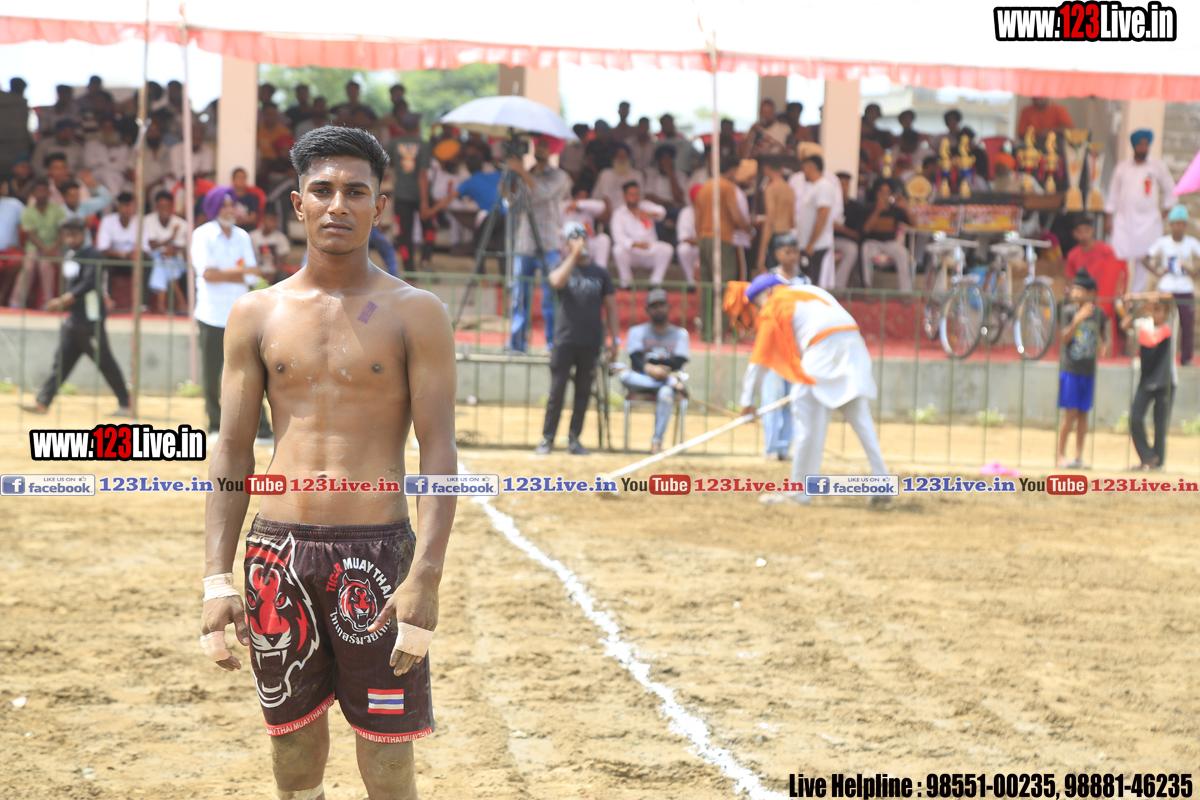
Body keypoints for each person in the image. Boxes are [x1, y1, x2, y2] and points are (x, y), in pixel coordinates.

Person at [200, 125, 456, 800]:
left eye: (355, 191)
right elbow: (232, 448)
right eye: (322, 190)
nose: (337, 204)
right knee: (291, 751)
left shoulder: (417, 313)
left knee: (389, 758)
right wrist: (215, 579)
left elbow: (438, 450)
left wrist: (426, 575)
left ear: (379, 206)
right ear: (298, 203)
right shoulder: (255, 313)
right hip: (277, 556)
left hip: (376, 556)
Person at [738, 274, 889, 506]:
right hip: (852, 341)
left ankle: (799, 492)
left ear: (767, 293)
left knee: (806, 418)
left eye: (758, 305)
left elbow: (760, 359)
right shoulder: (810, 290)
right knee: (861, 418)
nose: (759, 311)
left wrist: (747, 401)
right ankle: (883, 482)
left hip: (823, 346)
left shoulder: (775, 303)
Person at [191, 185, 275, 444]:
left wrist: (230, 272)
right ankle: (214, 425)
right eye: (225, 206)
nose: (231, 210)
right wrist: (239, 271)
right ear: (214, 208)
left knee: (250, 372)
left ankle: (262, 429)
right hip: (211, 314)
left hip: (240, 315)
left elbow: (252, 275)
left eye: (232, 205)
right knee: (212, 375)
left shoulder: (242, 236)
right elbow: (208, 274)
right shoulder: (202, 235)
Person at [21, 218, 128, 415]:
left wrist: (62, 301)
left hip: (91, 321)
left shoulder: (93, 255)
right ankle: (43, 402)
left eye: (74, 235)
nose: (70, 239)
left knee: (106, 362)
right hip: (73, 321)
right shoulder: (70, 255)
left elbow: (89, 283)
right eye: (67, 235)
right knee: (61, 363)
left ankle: (126, 404)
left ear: (83, 234)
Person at [534, 227, 619, 455]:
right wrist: (572, 256)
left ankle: (574, 440)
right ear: (566, 244)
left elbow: (611, 307)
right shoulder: (560, 267)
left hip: (591, 341)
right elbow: (555, 282)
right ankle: (547, 439)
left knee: (583, 393)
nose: (581, 241)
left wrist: (615, 340)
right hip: (565, 340)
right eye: (575, 238)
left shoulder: (600, 273)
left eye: (583, 237)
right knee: (556, 391)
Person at [509, 135, 571, 352]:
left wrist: (521, 171)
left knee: (550, 299)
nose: (540, 149)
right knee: (519, 298)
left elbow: (543, 192)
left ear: (552, 150)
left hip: (548, 244)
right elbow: (511, 204)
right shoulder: (524, 173)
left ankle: (552, 345)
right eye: (538, 145)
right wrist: (508, 177)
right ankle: (517, 345)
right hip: (524, 243)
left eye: (545, 146)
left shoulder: (559, 176)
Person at [615, 288, 690, 454]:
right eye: (654, 306)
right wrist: (650, 369)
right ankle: (669, 382)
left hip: (667, 381)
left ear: (669, 307)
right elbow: (635, 359)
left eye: (662, 305)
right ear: (647, 309)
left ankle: (656, 442)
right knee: (625, 376)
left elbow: (679, 361)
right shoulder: (636, 331)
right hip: (641, 381)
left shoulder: (680, 334)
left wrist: (661, 372)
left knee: (666, 393)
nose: (659, 309)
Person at [759, 233, 811, 461]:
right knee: (772, 397)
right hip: (774, 347)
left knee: (793, 399)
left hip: (796, 348)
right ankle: (771, 447)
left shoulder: (804, 282)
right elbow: (761, 308)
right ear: (778, 254)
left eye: (795, 252)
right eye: (787, 252)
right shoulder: (768, 280)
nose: (792, 256)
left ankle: (784, 447)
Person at [1106, 129, 1176, 294]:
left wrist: (1164, 213)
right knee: (1119, 260)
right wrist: (1108, 217)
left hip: (1148, 223)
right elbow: (1113, 194)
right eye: (1140, 144)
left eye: (1146, 144)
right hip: (1124, 221)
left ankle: (1135, 301)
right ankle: (1118, 298)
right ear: (1134, 146)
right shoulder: (1122, 167)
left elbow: (1171, 190)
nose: (1144, 148)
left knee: (1144, 262)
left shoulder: (1157, 166)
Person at [1056, 269, 1108, 468]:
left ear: (1091, 293)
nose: (1075, 293)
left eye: (1079, 290)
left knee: (1083, 415)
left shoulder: (1098, 314)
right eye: (1074, 289)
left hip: (1088, 371)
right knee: (1070, 414)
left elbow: (1104, 336)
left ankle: (1078, 456)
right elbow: (1064, 339)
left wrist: (1105, 344)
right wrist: (1077, 319)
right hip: (1070, 370)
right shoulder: (1069, 311)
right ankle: (1060, 455)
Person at [1120, 293, 1176, 469]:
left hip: (1166, 382)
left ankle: (1158, 463)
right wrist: (1143, 308)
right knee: (1135, 418)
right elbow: (1125, 324)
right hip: (1146, 381)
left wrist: (1140, 297)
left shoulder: (1170, 325)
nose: (1162, 314)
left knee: (1160, 425)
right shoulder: (1143, 325)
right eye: (1157, 310)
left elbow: (1169, 296)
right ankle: (1148, 457)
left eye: (1164, 311)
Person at [1146, 204, 1200, 365]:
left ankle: (1186, 358)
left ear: (1185, 225)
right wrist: (1158, 272)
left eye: (1182, 224)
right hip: (1166, 288)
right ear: (1171, 225)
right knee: (1162, 322)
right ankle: (1161, 358)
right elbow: (1145, 258)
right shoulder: (1163, 242)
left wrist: (1194, 273)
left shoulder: (1191, 242)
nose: (1179, 227)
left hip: (1185, 287)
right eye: (1176, 223)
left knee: (1187, 324)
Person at [695, 157, 751, 288]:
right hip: (722, 239)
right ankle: (723, 303)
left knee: (706, 282)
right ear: (732, 170)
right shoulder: (727, 187)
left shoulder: (704, 188)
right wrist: (748, 230)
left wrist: (700, 240)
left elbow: (697, 220)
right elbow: (736, 217)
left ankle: (706, 303)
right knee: (725, 280)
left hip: (704, 239)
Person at [384, 113, 429, 274]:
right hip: (420, 195)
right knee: (429, 228)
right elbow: (422, 175)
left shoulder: (394, 143)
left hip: (401, 195)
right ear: (417, 126)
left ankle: (409, 271)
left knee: (404, 234)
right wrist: (424, 202)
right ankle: (425, 260)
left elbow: (382, 161)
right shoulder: (423, 145)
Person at [14, 178, 65, 309]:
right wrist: (45, 250)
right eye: (40, 191)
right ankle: (16, 303)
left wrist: (52, 249)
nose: (43, 194)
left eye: (45, 191)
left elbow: (62, 233)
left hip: (55, 247)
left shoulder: (57, 210)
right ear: (33, 193)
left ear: (49, 193)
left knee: (44, 264)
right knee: (29, 266)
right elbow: (31, 235)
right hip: (35, 247)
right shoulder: (27, 212)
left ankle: (48, 303)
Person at [611, 182, 672, 288]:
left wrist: (649, 214)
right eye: (632, 194)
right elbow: (618, 236)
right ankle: (626, 283)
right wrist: (635, 244)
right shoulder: (619, 213)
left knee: (667, 249)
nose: (635, 197)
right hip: (632, 251)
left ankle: (655, 283)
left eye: (637, 194)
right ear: (624, 196)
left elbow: (662, 212)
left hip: (649, 248)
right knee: (618, 249)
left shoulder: (646, 206)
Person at [860, 179, 914, 292]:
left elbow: (914, 223)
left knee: (903, 253)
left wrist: (905, 207)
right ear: (876, 193)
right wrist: (878, 210)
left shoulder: (895, 210)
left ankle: (906, 292)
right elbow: (865, 230)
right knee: (864, 249)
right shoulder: (869, 208)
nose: (885, 195)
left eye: (887, 192)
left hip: (891, 243)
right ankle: (866, 289)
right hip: (873, 243)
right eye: (882, 192)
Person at [144, 190, 189, 314]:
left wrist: (172, 250)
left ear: (172, 206)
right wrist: (172, 237)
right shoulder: (148, 220)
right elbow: (152, 245)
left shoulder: (181, 223)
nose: (165, 209)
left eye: (167, 206)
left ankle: (161, 305)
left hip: (177, 262)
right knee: (162, 259)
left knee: (163, 260)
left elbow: (182, 247)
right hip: (156, 260)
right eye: (161, 206)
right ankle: (181, 302)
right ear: (156, 207)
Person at [794, 155, 836, 285]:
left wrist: (812, 243)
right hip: (809, 245)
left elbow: (822, 216)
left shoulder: (824, 186)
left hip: (815, 246)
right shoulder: (816, 186)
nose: (803, 173)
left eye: (804, 168)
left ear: (811, 167)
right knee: (807, 280)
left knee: (812, 282)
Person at [755, 160, 796, 273]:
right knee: (786, 274)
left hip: (775, 236)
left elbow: (770, 220)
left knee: (774, 275)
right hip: (788, 235)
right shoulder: (789, 189)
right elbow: (793, 222)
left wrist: (761, 254)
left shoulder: (771, 188)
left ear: (766, 169)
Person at [561, 179, 610, 269]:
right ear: (574, 196)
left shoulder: (588, 207)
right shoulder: (564, 206)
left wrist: (579, 204)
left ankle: (601, 271)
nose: (583, 199)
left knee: (603, 238)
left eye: (585, 197)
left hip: (588, 245)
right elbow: (555, 228)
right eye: (580, 196)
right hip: (569, 246)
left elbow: (602, 206)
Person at [641, 144, 686, 239]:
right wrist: (670, 203)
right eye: (663, 159)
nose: (666, 161)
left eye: (669, 158)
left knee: (683, 213)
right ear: (659, 161)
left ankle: (676, 243)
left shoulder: (680, 175)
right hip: (658, 206)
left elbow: (679, 196)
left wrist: (671, 175)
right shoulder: (653, 175)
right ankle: (659, 241)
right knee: (656, 215)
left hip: (675, 209)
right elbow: (649, 197)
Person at [833, 171, 867, 287]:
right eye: (840, 185)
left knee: (852, 250)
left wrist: (840, 228)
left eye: (846, 184)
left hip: (845, 241)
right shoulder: (827, 204)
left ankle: (837, 287)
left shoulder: (855, 207)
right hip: (826, 240)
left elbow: (858, 235)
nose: (843, 188)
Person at [591, 142, 642, 219]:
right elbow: (598, 196)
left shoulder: (637, 175)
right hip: (608, 212)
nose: (621, 158)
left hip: (630, 212)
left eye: (624, 155)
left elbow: (640, 197)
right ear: (614, 157)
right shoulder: (605, 173)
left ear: (629, 158)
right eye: (619, 155)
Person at [1065, 213, 1115, 281]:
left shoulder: (1106, 250)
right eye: (1080, 232)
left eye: (1087, 230)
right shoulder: (1072, 255)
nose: (1084, 235)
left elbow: (1115, 273)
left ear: (1093, 230)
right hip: (1082, 287)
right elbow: (1071, 279)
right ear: (1074, 233)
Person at [250, 206, 295, 274]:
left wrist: (273, 275)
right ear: (263, 219)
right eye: (271, 220)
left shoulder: (281, 238)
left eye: (275, 220)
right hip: (257, 272)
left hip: (275, 273)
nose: (274, 223)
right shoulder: (252, 236)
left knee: (283, 275)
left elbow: (282, 263)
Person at [674, 185, 700, 284]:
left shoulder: (711, 211)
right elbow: (683, 238)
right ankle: (691, 282)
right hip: (694, 246)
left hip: (707, 246)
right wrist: (699, 241)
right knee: (683, 249)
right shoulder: (686, 212)